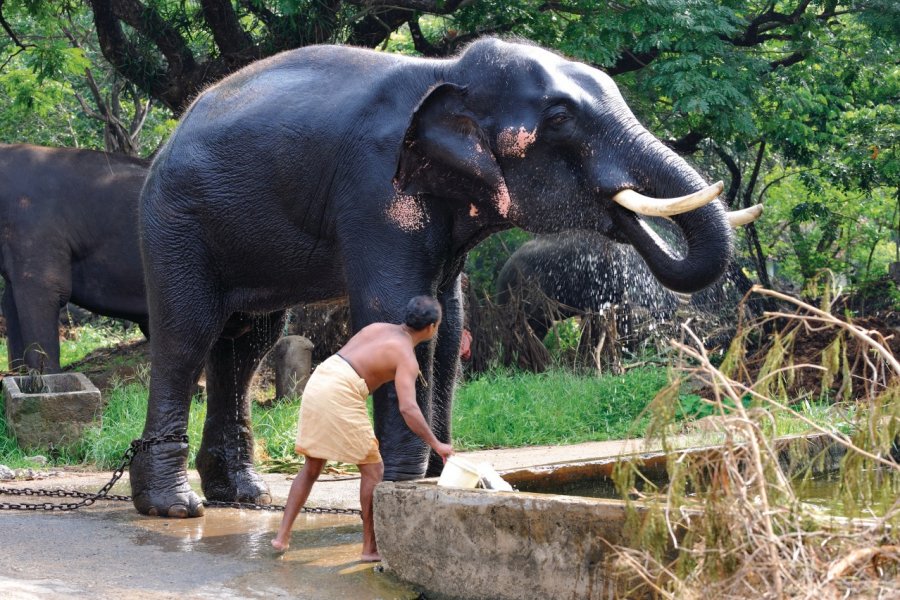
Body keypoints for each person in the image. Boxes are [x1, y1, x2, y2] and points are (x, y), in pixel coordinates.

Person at [271, 295, 454, 561]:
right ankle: (370, 549)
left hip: (321, 378)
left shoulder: (377, 328)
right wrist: (437, 444)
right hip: (341, 391)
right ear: (432, 328)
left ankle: (282, 537)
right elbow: (408, 409)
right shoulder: (406, 357)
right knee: (373, 469)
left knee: (312, 466)